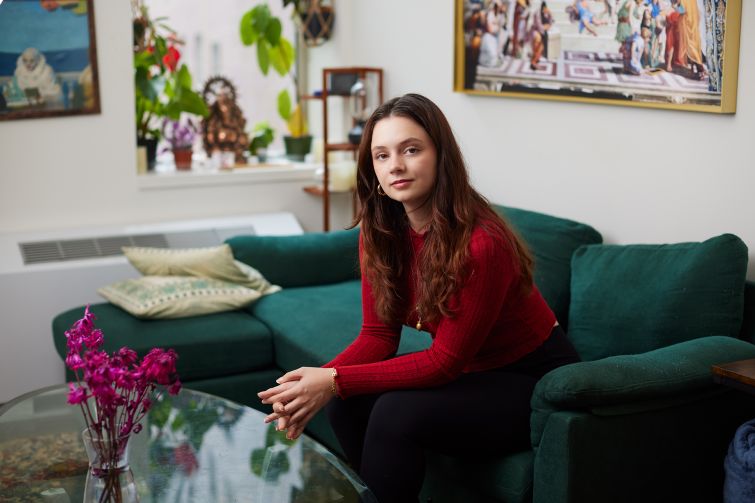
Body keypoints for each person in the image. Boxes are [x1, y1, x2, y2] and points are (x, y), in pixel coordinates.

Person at [257, 93, 581, 502]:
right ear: (371, 168)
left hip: (531, 380)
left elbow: (444, 363)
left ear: (440, 155)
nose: (395, 165)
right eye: (381, 155)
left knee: (393, 412)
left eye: (411, 149)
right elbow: (378, 335)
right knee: (346, 402)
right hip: (473, 373)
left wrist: (334, 380)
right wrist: (315, 384)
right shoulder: (381, 232)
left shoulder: (482, 244)